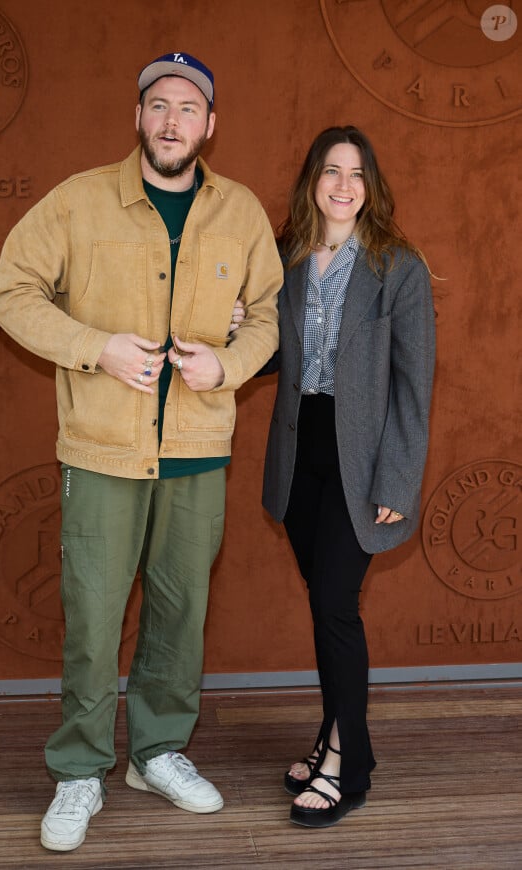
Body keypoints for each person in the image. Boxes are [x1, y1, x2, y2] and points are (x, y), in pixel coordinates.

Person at [0, 51, 282, 852]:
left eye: (188, 107)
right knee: (92, 615)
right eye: (159, 105)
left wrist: (229, 363)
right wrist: (95, 348)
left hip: (196, 450)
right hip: (103, 449)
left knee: (180, 612)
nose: (171, 120)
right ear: (139, 117)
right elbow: (10, 291)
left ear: (210, 125)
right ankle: (79, 769)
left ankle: (157, 753)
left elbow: (267, 313)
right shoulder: (80, 202)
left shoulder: (243, 213)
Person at [261, 126, 435, 828]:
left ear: (371, 185)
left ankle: (346, 763)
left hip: (362, 458)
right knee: (324, 600)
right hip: (300, 450)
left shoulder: (399, 266)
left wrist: (397, 480)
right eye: (330, 171)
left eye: (356, 173)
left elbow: (413, 384)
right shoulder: (288, 257)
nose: (342, 185)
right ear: (312, 181)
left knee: (336, 603)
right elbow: (270, 355)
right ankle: (337, 735)